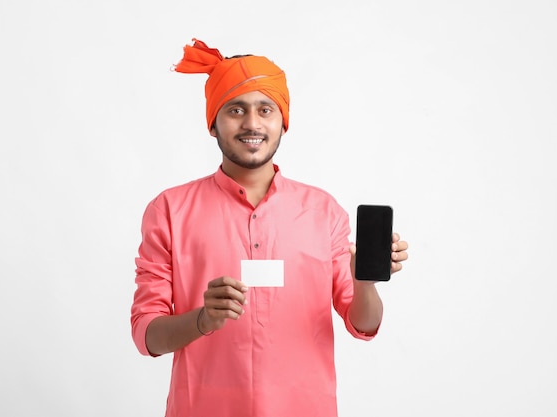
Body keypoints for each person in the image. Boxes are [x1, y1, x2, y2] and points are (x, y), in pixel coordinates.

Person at [130, 38, 409, 417]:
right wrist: (203, 319)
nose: (252, 123)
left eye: (266, 109)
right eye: (235, 110)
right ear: (213, 122)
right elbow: (147, 335)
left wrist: (365, 282)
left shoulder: (322, 211)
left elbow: (363, 324)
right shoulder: (169, 210)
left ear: (283, 122)